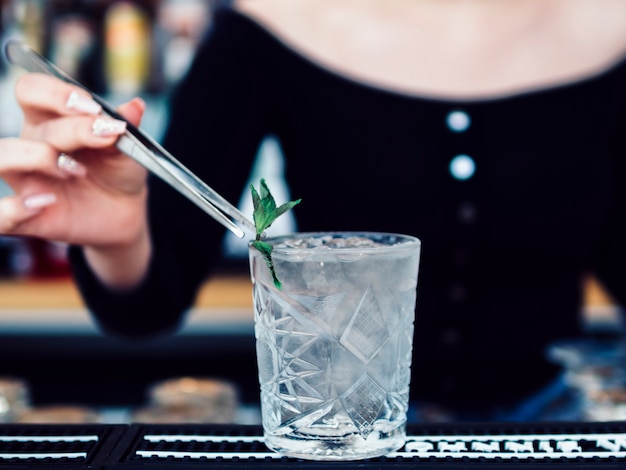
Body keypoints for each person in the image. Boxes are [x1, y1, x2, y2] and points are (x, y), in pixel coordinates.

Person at [2, 0, 626, 421]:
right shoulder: (267, 26)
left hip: (552, 430)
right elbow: (149, 305)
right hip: (335, 432)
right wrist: (116, 238)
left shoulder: (610, 32)